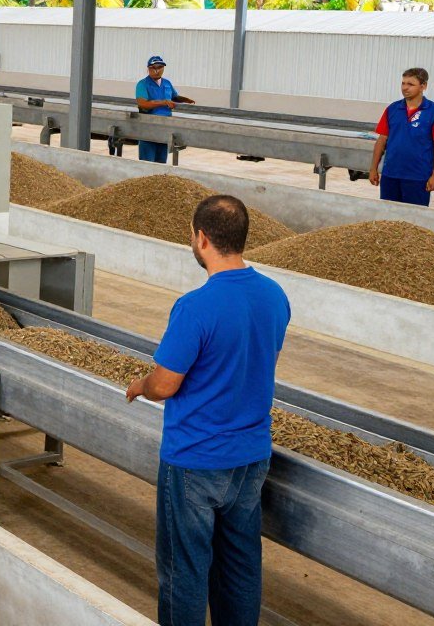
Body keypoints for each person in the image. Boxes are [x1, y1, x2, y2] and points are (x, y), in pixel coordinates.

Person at [125, 195, 290, 626]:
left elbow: (165, 384)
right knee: (239, 568)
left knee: (184, 571)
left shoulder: (195, 307)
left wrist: (140, 385)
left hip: (195, 461)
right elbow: (261, 363)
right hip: (251, 458)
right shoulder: (274, 296)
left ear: (201, 239)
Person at [369, 67, 434, 206]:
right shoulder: (392, 109)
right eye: (403, 83)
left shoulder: (433, 111)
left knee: (414, 217)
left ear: (423, 86)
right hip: (390, 175)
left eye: (410, 84)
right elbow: (382, 140)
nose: (405, 88)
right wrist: (373, 168)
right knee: (389, 215)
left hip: (418, 177)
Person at [134, 56, 195, 163]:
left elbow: (174, 97)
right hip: (149, 127)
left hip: (165, 128)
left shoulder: (167, 83)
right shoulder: (142, 84)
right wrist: (164, 102)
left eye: (160, 67)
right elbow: (142, 103)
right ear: (148, 69)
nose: (157, 70)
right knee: (147, 162)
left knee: (161, 161)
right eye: (154, 68)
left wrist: (186, 100)